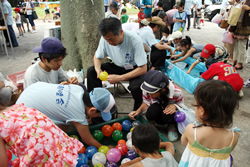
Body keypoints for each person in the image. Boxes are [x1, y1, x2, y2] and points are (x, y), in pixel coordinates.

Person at [16, 82, 115, 149]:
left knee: (63, 125)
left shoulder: (78, 89)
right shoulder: (78, 112)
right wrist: (105, 148)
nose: (97, 117)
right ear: (92, 110)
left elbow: (67, 113)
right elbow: (88, 140)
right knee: (49, 145)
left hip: (30, 91)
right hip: (23, 116)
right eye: (99, 114)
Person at [87, 18, 147, 111]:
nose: (109, 43)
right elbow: (97, 56)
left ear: (121, 32)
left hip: (134, 68)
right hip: (117, 66)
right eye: (106, 40)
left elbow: (143, 68)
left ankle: (136, 112)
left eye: (111, 39)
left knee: (136, 87)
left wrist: (120, 78)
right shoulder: (105, 39)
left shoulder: (134, 40)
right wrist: (98, 69)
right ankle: (96, 105)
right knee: (91, 72)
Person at [179, 80, 239, 167]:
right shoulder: (234, 136)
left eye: (196, 106)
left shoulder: (192, 130)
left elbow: (183, 142)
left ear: (202, 111)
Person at [128, 70, 184, 141]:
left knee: (169, 113)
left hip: (168, 115)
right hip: (157, 111)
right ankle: (151, 124)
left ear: (163, 90)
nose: (149, 94)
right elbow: (146, 102)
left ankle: (171, 126)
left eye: (152, 92)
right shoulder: (148, 90)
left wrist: (174, 106)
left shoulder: (177, 93)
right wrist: (137, 111)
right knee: (152, 110)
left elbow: (181, 105)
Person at [231, 0, 250, 70]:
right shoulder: (241, 1)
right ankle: (235, 60)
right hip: (237, 24)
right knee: (235, 44)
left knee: (241, 45)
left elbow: (248, 8)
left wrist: (237, 4)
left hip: (245, 25)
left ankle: (240, 62)